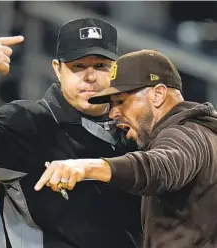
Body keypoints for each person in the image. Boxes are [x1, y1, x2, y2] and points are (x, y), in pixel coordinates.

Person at [0, 17, 141, 248]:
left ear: (115, 70)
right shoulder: (28, 122)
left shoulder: (134, 128)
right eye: (78, 66)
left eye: (101, 65)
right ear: (57, 69)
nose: (90, 76)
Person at [37, 49, 217, 248]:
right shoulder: (205, 134)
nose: (113, 113)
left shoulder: (183, 134)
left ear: (158, 94)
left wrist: (87, 167)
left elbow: (159, 167)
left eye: (121, 101)